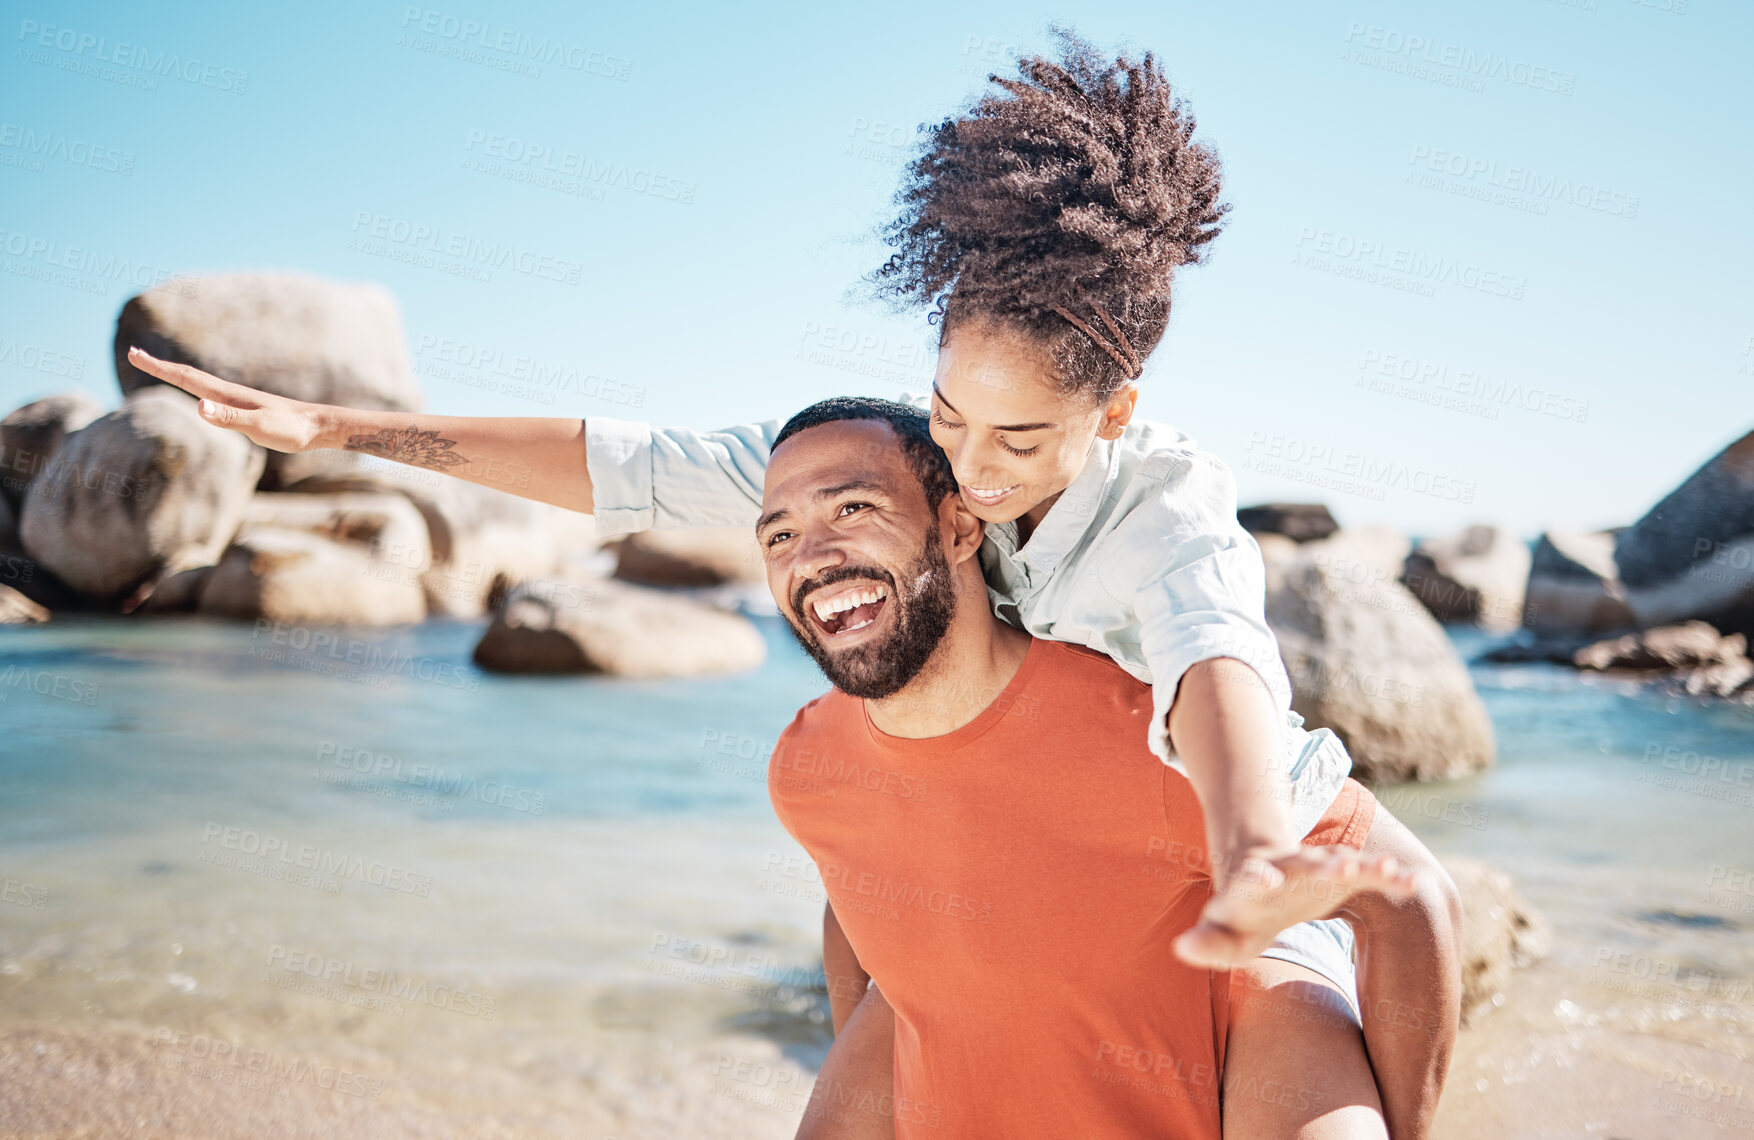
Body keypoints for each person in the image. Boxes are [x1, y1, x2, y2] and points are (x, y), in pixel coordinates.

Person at [125, 29, 1463, 1138]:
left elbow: (1216, 665)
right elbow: (613, 465)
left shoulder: (1161, 513)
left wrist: (1247, 862)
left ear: (1109, 417)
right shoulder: (891, 472)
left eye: (1021, 443)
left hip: (1263, 833)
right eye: (953, 420)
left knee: (1387, 947)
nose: (980, 473)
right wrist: (346, 433)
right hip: (1076, 846)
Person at [755, 396, 1452, 1138]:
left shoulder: (1152, 734)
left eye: (854, 508)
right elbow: (854, 894)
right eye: (781, 535)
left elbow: (1411, 900)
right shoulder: (810, 766)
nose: (810, 556)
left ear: (959, 527)